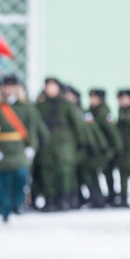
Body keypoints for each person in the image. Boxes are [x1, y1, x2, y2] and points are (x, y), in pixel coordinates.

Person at [0, 76, 41, 221]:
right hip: (2, 146)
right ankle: (5, 210)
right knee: (3, 180)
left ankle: (18, 204)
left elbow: (31, 128)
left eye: (12, 86)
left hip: (19, 147)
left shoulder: (25, 107)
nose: (9, 89)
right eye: (6, 86)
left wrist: (31, 146)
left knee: (20, 176)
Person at [36, 77, 83, 211]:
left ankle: (64, 199)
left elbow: (77, 126)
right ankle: (50, 200)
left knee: (64, 172)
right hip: (47, 144)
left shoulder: (66, 105)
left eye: (53, 86)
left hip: (64, 145)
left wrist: (80, 144)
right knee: (47, 173)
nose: (50, 89)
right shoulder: (40, 105)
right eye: (48, 86)